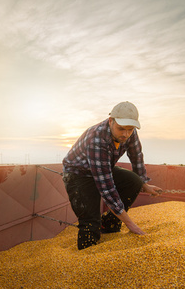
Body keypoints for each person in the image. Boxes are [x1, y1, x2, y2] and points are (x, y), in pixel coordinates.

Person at [62, 101, 162, 250]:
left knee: (134, 181)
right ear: (111, 121)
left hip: (102, 167)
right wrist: (130, 223)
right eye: (121, 129)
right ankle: (85, 259)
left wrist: (144, 184)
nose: (125, 134)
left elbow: (136, 156)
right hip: (78, 174)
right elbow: (106, 188)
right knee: (90, 221)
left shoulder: (130, 133)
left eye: (130, 129)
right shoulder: (96, 139)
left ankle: (109, 225)